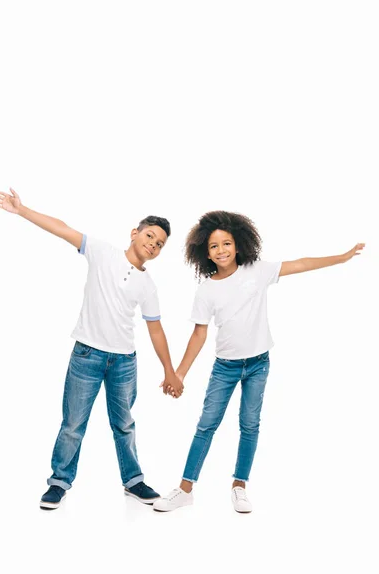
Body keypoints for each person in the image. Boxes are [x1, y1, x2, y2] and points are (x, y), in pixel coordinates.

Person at [153, 210, 365, 513]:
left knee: (250, 425)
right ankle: (185, 489)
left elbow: (302, 263)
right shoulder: (208, 288)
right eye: (214, 246)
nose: (221, 250)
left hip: (258, 364)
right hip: (224, 368)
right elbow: (199, 335)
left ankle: (239, 486)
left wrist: (341, 258)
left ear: (238, 245)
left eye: (226, 243)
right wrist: (180, 373)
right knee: (206, 425)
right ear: (206, 253)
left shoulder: (258, 271)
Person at [0, 187, 183, 510]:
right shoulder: (102, 251)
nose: (153, 244)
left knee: (124, 424)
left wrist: (169, 370)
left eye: (160, 244)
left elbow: (156, 330)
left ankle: (133, 481)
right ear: (135, 233)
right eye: (150, 236)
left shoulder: (148, 286)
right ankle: (59, 482)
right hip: (87, 355)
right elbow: (63, 228)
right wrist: (23, 211)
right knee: (73, 424)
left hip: (124, 362)